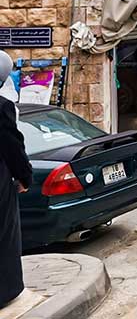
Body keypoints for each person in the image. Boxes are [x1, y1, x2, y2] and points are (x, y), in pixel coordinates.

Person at [1, 51, 31, 308]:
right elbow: (13, 146)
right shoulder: (2, 107)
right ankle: (5, 290)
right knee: (4, 234)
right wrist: (24, 177)